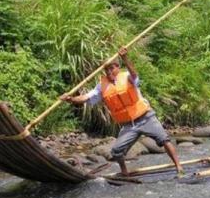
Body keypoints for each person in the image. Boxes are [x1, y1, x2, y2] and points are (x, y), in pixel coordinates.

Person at [60, 47, 184, 176]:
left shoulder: (127, 77)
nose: (109, 72)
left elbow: (135, 74)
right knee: (116, 151)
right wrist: (71, 99)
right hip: (128, 125)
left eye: (112, 68)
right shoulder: (101, 86)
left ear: (118, 67)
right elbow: (87, 97)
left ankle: (179, 167)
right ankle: (124, 172)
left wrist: (125, 58)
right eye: (107, 69)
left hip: (146, 117)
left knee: (164, 140)